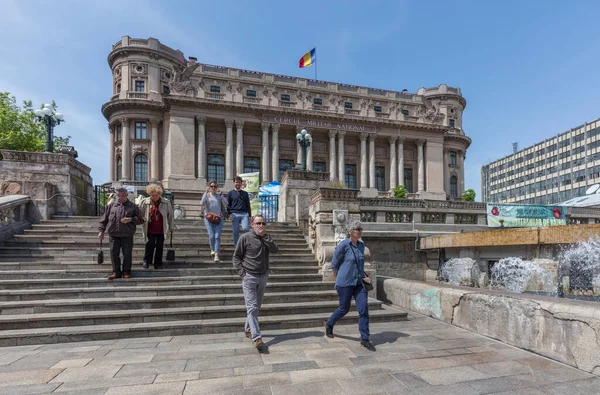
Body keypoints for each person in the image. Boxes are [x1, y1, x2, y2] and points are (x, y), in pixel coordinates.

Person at [325, 219, 376, 352]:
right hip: (345, 282)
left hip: (359, 282)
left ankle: (365, 339)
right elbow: (334, 264)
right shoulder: (343, 245)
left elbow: (360, 265)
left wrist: (365, 277)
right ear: (350, 232)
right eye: (357, 229)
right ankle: (329, 324)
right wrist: (338, 280)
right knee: (344, 309)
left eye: (361, 229)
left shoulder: (361, 246)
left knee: (363, 309)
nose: (360, 232)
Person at [233, 215, 279, 350]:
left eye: (263, 223)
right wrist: (241, 272)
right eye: (258, 223)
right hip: (249, 276)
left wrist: (265, 237)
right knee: (252, 307)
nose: (261, 226)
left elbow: (275, 249)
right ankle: (257, 337)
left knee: (256, 306)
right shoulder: (245, 238)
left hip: (263, 275)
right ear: (252, 224)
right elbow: (236, 257)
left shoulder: (266, 237)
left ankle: (248, 329)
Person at [98, 187, 145, 280]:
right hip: (113, 234)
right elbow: (104, 220)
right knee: (113, 253)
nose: (120, 197)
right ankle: (116, 272)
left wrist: (131, 219)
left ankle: (126, 272)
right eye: (118, 195)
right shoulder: (111, 206)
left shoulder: (133, 207)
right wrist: (101, 231)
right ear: (116, 195)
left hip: (127, 234)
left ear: (127, 195)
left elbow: (142, 220)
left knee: (127, 254)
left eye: (123, 195)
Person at [139, 184, 174, 269]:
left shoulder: (166, 202)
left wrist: (171, 226)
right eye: (152, 195)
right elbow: (140, 213)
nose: (154, 197)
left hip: (161, 228)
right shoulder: (145, 201)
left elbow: (170, 215)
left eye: (156, 195)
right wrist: (142, 219)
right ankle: (147, 261)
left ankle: (158, 263)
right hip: (150, 228)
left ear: (160, 194)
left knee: (159, 246)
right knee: (149, 245)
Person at [200, 180, 228, 262]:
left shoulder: (219, 196)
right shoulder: (206, 195)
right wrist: (205, 193)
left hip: (219, 218)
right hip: (208, 217)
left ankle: (216, 254)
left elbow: (226, 203)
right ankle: (212, 249)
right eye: (211, 186)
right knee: (212, 236)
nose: (213, 188)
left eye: (215, 186)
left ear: (217, 187)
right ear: (209, 187)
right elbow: (201, 203)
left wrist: (222, 195)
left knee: (217, 236)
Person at [227, 176, 251, 247]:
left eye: (239, 182)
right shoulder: (230, 193)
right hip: (234, 214)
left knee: (246, 229)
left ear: (241, 184)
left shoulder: (245, 193)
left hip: (244, 214)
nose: (238, 184)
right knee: (235, 232)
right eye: (236, 182)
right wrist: (229, 214)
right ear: (234, 183)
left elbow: (248, 205)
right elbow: (227, 205)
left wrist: (249, 216)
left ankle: (245, 245)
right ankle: (237, 247)